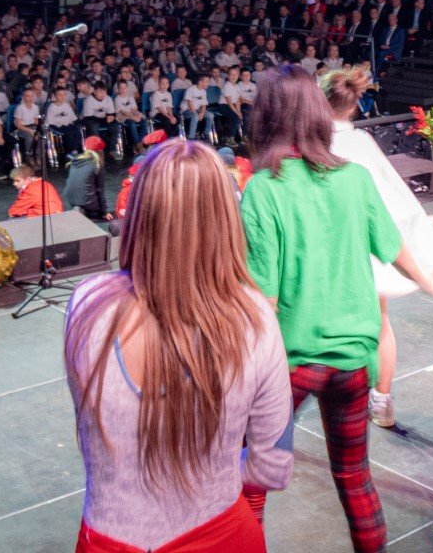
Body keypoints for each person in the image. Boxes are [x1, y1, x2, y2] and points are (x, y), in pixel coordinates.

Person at [240, 65, 433, 552]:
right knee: (354, 476)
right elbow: (393, 246)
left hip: (291, 363)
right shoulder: (354, 178)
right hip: (352, 361)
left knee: (249, 486)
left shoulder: (263, 188)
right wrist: (430, 281)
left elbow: (265, 299)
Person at [65, 138, 293, 552]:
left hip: (109, 538)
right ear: (224, 219)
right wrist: (217, 469)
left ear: (139, 213)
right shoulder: (255, 319)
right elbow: (272, 468)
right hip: (221, 534)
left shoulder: (86, 302)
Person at [321, 65, 433, 428]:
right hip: (371, 245)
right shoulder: (360, 141)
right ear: (352, 107)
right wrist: (417, 224)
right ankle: (381, 401)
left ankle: (340, 402)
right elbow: (391, 197)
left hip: (335, 251)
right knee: (379, 321)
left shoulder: (316, 145)